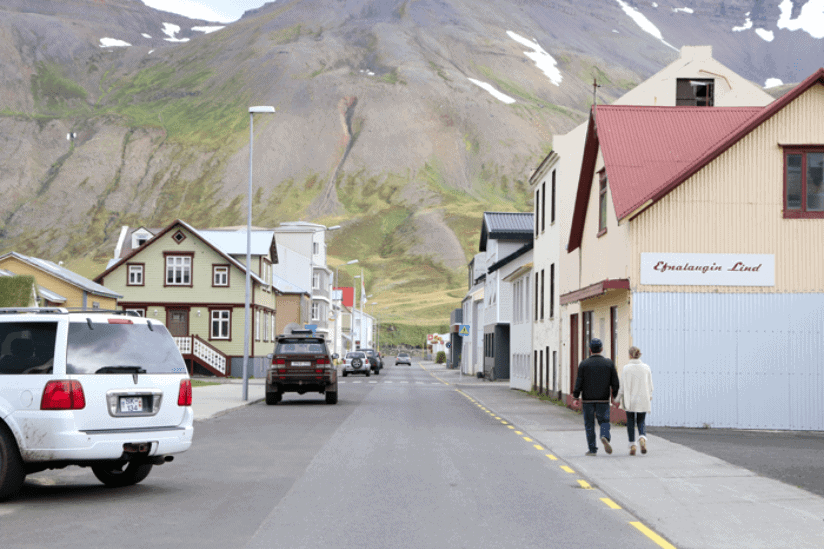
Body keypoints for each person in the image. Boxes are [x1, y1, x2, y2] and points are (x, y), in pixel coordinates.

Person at [572, 338, 620, 456]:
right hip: (603, 399)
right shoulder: (609, 363)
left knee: (589, 424)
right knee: (604, 421)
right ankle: (604, 436)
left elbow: (579, 381)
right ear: (602, 349)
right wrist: (614, 397)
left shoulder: (584, 364)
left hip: (587, 400)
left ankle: (592, 450)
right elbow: (615, 382)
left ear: (590, 350)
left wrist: (576, 397)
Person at [615, 346, 654, 455]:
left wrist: (617, 399)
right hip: (643, 399)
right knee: (641, 421)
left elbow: (622, 387)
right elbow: (650, 385)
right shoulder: (646, 368)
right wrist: (649, 396)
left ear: (630, 355)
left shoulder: (626, 368)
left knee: (631, 422)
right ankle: (642, 437)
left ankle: (632, 444)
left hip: (630, 400)